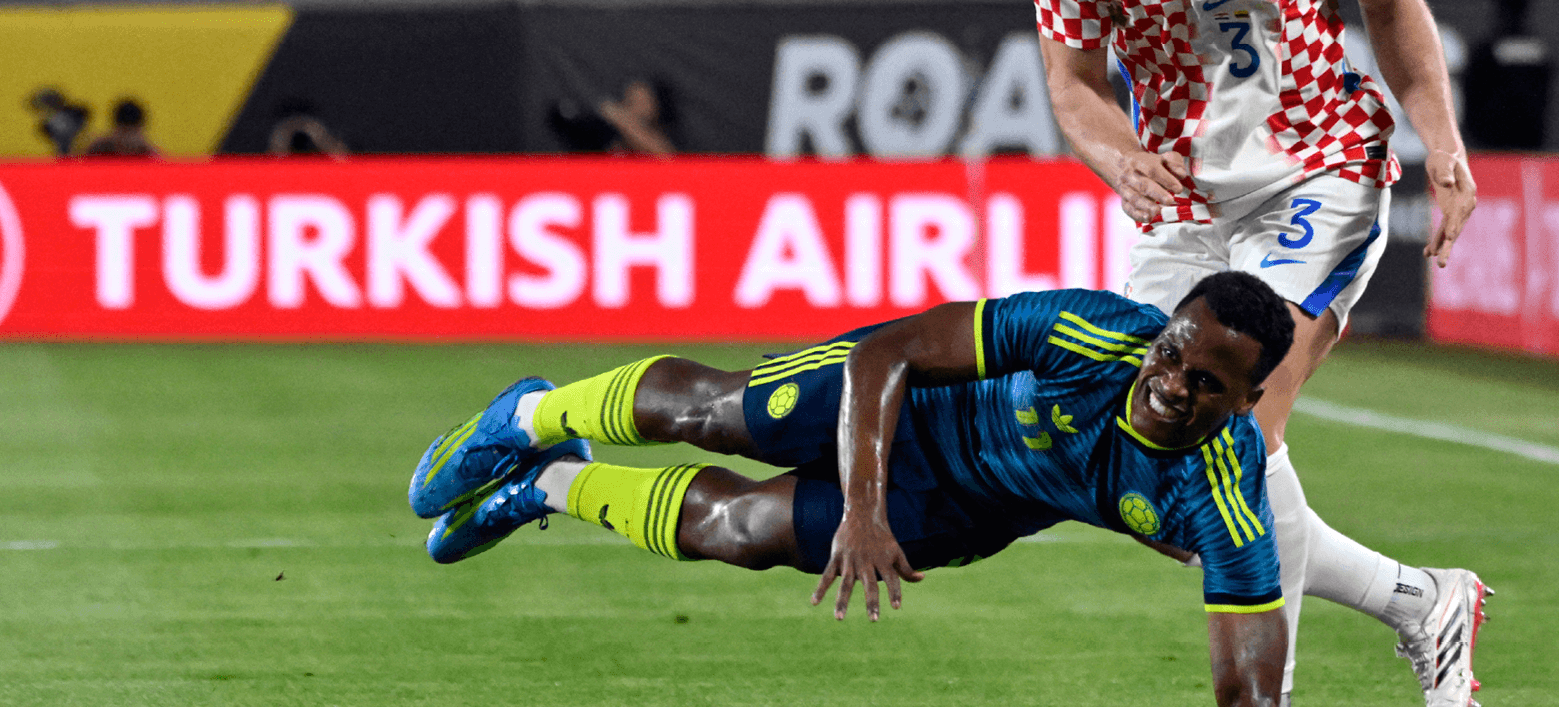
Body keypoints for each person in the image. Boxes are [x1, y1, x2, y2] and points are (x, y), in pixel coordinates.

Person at [1026, 0, 1485, 707]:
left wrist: (1444, 144)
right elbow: (1073, 85)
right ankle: (1422, 602)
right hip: (1184, 200)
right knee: (1150, 473)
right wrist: (1119, 157)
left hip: (1319, 170)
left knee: (1230, 438)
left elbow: (1392, 7)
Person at [411, 274, 1293, 705]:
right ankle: (528, 415)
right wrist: (863, 510)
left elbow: (1249, 689)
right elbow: (888, 353)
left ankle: (546, 486)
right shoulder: (1088, 331)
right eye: (1170, 353)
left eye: (1206, 384)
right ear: (1159, 332)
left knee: (738, 534)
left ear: (1248, 404)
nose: (1171, 384)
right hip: (903, 398)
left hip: (964, 507)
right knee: (718, 415)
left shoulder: (1226, 500)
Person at [1464, 0, 1555, 150]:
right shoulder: (1539, 52)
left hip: (1494, 143)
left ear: (1500, 10)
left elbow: (1472, 96)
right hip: (1525, 140)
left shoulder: (1485, 51)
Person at [83, 98, 160, 157]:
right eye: (124, 133)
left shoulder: (149, 154)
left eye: (131, 134)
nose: (127, 140)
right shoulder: (97, 150)